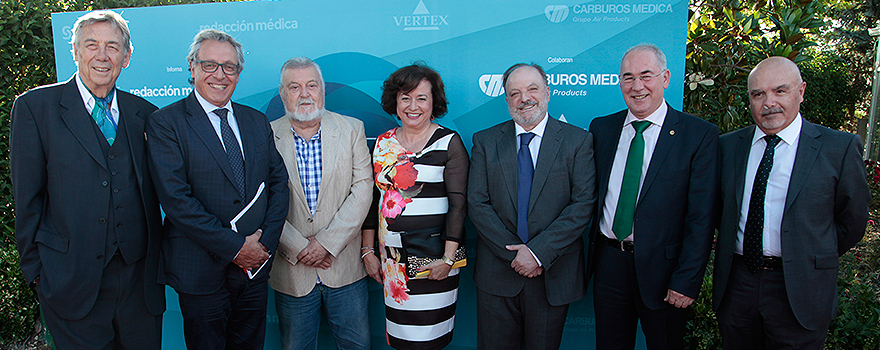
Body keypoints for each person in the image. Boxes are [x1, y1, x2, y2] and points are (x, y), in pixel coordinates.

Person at [10, 10, 164, 349]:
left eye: (113, 46)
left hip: (139, 286)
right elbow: (27, 197)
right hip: (69, 280)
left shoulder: (145, 114)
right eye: (91, 45)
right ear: (75, 52)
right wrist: (37, 271)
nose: (102, 55)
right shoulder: (36, 108)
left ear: (126, 56)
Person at [145, 29, 289, 350]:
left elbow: (278, 183)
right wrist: (236, 247)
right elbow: (176, 199)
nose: (220, 75)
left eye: (229, 67)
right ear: (192, 68)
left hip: (254, 268)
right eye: (210, 65)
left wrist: (263, 244)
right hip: (200, 269)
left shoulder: (255, 120)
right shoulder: (166, 123)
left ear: (238, 73)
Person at [713, 56, 869, 349]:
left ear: (801, 92)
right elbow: (718, 211)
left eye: (779, 91)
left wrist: (808, 250)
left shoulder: (838, 148)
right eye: (758, 94)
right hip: (738, 286)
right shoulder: (727, 146)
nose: (768, 102)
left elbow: (853, 220)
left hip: (801, 288)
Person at [588, 43, 719, 350]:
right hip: (609, 263)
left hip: (665, 272)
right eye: (628, 77)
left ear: (665, 78)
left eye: (646, 76)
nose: (637, 86)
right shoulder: (602, 128)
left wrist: (686, 280)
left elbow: (701, 218)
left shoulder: (697, 135)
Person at [468, 63, 595, 350]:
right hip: (498, 275)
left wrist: (537, 253)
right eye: (515, 93)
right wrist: (514, 254)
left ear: (548, 92)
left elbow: (582, 204)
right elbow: (477, 203)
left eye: (532, 89)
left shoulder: (578, 141)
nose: (524, 98)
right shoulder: (485, 141)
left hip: (552, 272)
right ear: (507, 100)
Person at [268, 57, 373, 350]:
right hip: (292, 269)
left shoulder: (352, 129)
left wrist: (326, 243)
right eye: (294, 86)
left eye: (311, 85)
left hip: (345, 268)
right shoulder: (264, 135)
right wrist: (299, 247)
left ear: (323, 90)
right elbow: (260, 200)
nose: (304, 94)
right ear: (282, 93)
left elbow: (363, 189)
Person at [362, 63, 468, 350]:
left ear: (434, 102)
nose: (413, 106)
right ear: (395, 102)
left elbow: (459, 206)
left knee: (430, 340)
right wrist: (367, 251)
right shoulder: (383, 143)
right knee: (402, 339)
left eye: (421, 98)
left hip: (435, 260)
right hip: (393, 262)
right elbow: (374, 202)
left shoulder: (449, 142)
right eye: (405, 97)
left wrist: (447, 260)